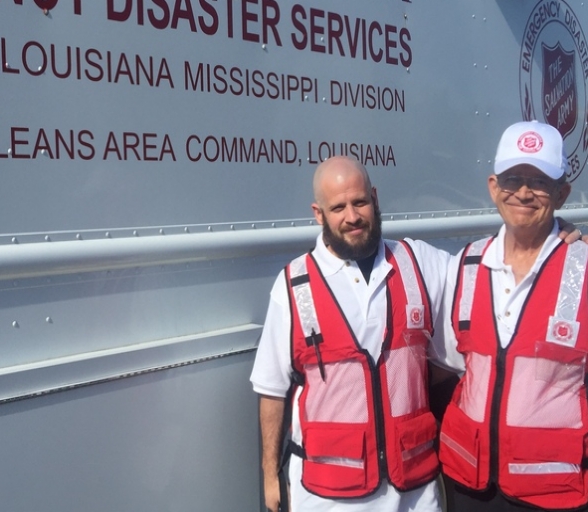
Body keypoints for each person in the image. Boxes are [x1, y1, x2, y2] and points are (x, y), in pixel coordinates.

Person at [250, 155, 454, 512]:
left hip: (413, 492)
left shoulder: (417, 262)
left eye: (359, 202)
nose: (352, 217)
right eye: (338, 207)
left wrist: (556, 239)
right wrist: (269, 475)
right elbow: (272, 390)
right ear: (318, 213)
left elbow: (489, 274)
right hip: (326, 497)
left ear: (374, 198)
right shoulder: (294, 286)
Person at [438, 121, 588, 511]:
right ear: (493, 187)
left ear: (562, 193)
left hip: (554, 493)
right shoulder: (466, 263)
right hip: (470, 487)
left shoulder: (584, 267)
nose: (523, 192)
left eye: (539, 182)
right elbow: (456, 363)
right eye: (513, 178)